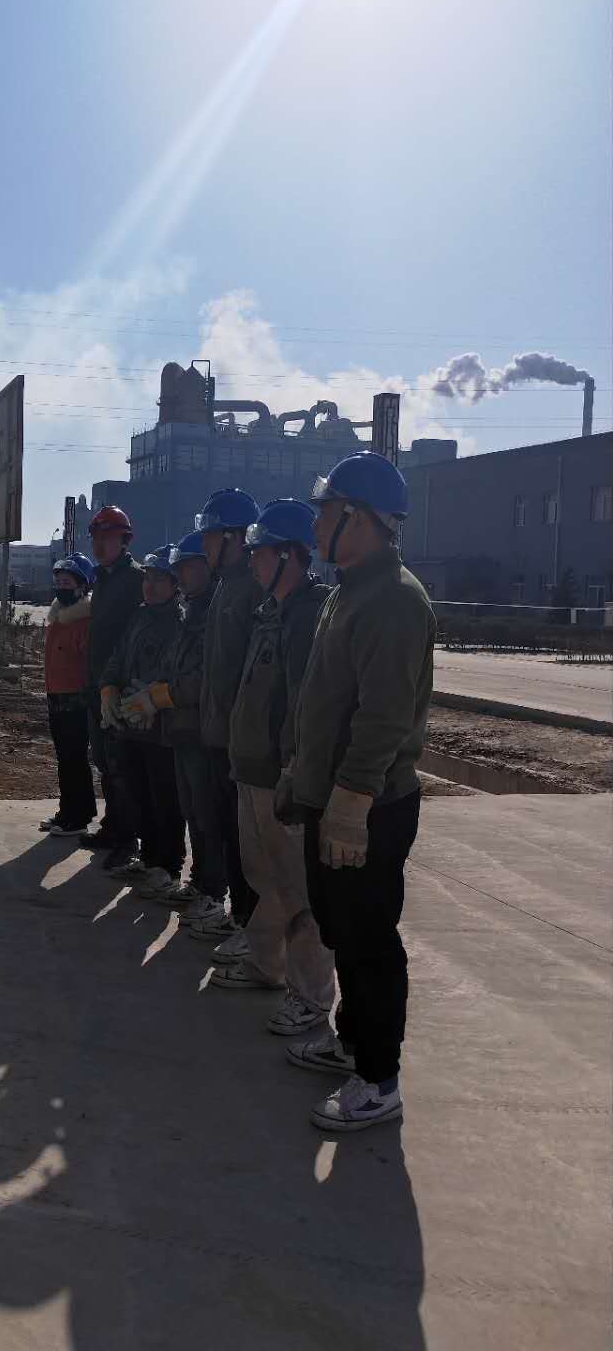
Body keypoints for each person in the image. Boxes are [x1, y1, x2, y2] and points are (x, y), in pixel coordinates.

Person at [284, 452, 435, 1132]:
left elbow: (383, 718)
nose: (316, 525)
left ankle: (379, 1079)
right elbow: (323, 703)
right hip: (334, 795)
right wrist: (303, 777)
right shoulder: (347, 593)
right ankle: (351, 1043)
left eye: (325, 513)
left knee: (369, 940)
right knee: (341, 929)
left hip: (368, 805)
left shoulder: (395, 600)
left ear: (360, 518)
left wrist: (348, 804)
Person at [211, 500, 336, 1036]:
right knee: (265, 877)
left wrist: (295, 770)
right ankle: (267, 965)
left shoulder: (307, 617)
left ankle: (310, 997)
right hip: (251, 769)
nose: (253, 561)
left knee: (298, 892)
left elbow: (307, 705)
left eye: (261, 552)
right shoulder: (269, 612)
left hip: (281, 776)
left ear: (289, 555)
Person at [120, 531, 228, 925]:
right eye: (178, 568)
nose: (182, 575)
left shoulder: (213, 611)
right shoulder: (191, 612)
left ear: (208, 567)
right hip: (181, 729)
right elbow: (173, 665)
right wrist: (150, 691)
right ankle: (199, 883)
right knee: (193, 813)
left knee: (208, 815)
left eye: (187, 567)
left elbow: (207, 677)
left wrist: (161, 695)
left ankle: (213, 891)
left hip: (202, 730)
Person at [188, 487, 264, 951]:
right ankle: (238, 915)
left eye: (212, 536)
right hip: (218, 736)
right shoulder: (226, 588)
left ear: (234, 538)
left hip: (241, 741)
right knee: (225, 832)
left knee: (245, 843)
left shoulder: (252, 588)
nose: (205, 545)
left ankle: (251, 927)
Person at [103, 547, 185, 894]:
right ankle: (149, 859)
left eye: (159, 579)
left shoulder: (179, 621)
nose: (150, 585)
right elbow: (119, 657)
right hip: (130, 723)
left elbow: (175, 672)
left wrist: (151, 698)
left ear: (175, 585)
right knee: (138, 794)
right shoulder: (139, 616)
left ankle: (168, 866)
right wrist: (108, 687)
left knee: (164, 798)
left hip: (160, 728)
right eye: (147, 578)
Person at [79, 506, 144, 872]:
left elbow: (133, 636)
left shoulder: (135, 579)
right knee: (104, 762)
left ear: (124, 540)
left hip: (118, 687)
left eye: (108, 538)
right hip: (96, 685)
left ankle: (127, 839)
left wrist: (119, 684)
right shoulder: (101, 578)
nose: (100, 545)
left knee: (122, 767)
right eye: (97, 538)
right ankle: (112, 826)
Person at [39, 553, 98, 838]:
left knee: (75, 759)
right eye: (59, 582)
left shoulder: (83, 622)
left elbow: (88, 663)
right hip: (56, 698)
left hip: (76, 701)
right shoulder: (58, 619)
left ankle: (79, 816)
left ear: (81, 587)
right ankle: (67, 811)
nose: (61, 587)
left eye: (67, 582)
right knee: (64, 759)